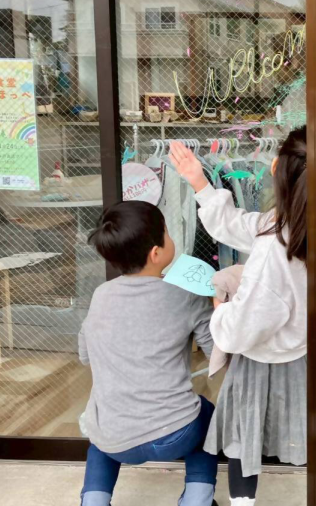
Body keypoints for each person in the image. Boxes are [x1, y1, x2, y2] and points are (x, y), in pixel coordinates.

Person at [168, 127, 308, 506]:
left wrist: (222, 310)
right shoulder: (305, 225)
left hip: (262, 360)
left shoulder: (276, 244)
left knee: (243, 438)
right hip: (301, 353)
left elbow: (242, 328)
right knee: (298, 432)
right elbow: (237, 224)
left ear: (277, 169)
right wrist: (199, 181)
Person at [79, 201, 218, 506]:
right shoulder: (187, 296)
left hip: (116, 442)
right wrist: (219, 307)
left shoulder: (101, 295)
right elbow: (216, 355)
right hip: (177, 434)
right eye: (167, 232)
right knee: (207, 414)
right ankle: (197, 498)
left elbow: (85, 355)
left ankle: (93, 501)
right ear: (156, 253)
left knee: (100, 435)